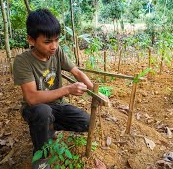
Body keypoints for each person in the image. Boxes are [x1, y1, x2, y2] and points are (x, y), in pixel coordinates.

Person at [13, 9, 107, 169]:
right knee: (43, 113)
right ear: (31, 40)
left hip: (57, 105)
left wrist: (95, 93)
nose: (54, 46)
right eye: (48, 42)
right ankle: (41, 156)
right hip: (35, 108)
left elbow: (76, 71)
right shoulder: (22, 62)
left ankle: (49, 127)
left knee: (85, 122)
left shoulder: (57, 53)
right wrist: (68, 89)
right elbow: (32, 98)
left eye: (57, 40)